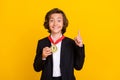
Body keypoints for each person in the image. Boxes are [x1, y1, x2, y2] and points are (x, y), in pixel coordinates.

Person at [33, 8, 85, 80]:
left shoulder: (71, 43)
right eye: (52, 20)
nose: (55, 24)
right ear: (48, 23)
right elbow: (36, 68)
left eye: (59, 20)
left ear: (63, 23)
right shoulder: (42, 43)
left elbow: (78, 66)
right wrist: (43, 56)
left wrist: (80, 46)